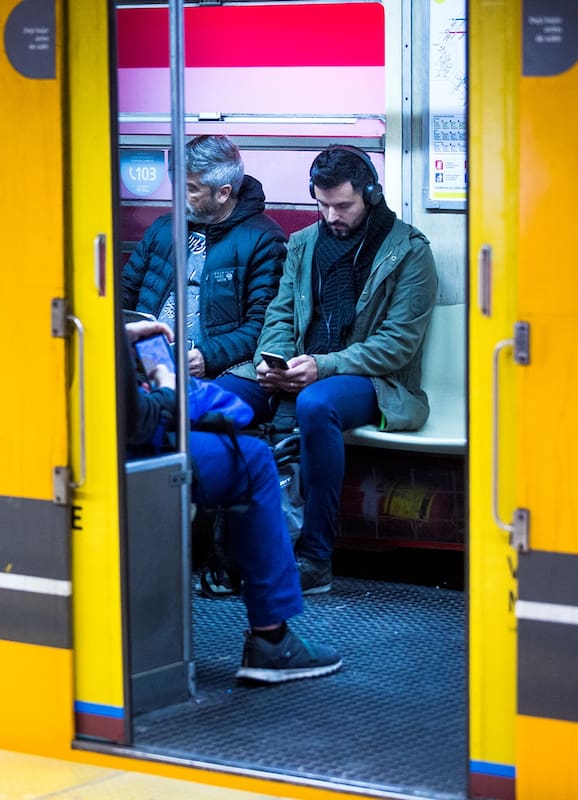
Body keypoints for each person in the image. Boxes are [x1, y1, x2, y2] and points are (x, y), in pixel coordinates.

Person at [224, 145, 438, 594]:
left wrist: (321, 367)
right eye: (322, 205)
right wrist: (272, 360)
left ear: (371, 196)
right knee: (223, 396)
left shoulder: (410, 252)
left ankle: (316, 557)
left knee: (317, 404)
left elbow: (396, 345)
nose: (332, 216)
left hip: (372, 380)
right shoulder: (302, 243)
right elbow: (278, 316)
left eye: (343, 205)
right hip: (300, 367)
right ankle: (227, 542)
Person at [125, 319, 341, 683]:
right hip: (120, 447)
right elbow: (138, 422)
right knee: (253, 460)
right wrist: (167, 387)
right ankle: (271, 639)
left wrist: (122, 335)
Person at [122, 135, 286, 379]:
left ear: (223, 193)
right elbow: (124, 293)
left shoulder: (263, 239)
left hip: (211, 369)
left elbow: (262, 326)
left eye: (191, 189)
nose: (179, 196)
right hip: (148, 356)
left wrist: (208, 356)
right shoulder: (164, 228)